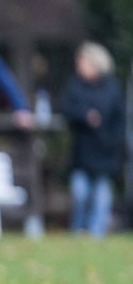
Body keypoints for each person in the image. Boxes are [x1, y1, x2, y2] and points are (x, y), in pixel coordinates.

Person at [60, 42, 124, 238]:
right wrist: (85, 116)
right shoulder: (76, 87)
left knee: (101, 198)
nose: (79, 66)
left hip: (105, 153)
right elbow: (66, 109)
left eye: (82, 61)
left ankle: (96, 235)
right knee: (80, 195)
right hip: (83, 152)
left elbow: (119, 120)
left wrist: (112, 142)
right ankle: (78, 230)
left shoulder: (112, 88)